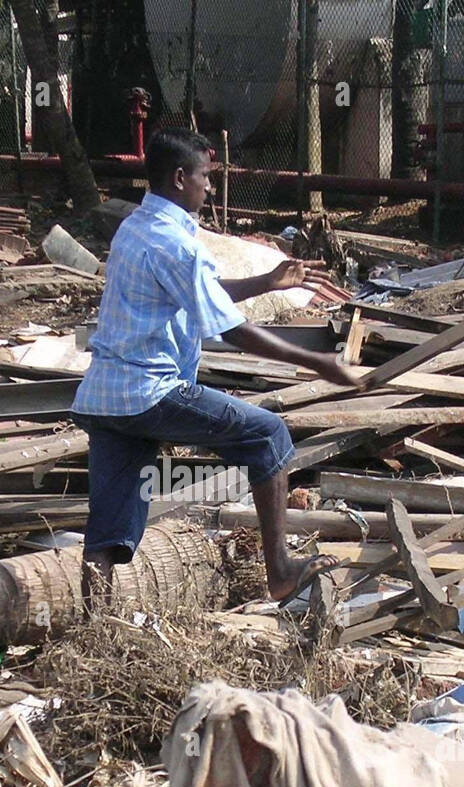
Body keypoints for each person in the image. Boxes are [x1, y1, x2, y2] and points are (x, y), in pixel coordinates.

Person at [70, 127, 364, 605]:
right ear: (180, 177)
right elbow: (229, 329)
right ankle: (282, 572)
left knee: (106, 531)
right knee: (269, 436)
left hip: (106, 398)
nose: (210, 186)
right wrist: (315, 362)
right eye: (206, 176)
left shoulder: (136, 228)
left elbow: (199, 294)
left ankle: (98, 626)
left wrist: (267, 282)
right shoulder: (175, 243)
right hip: (152, 392)